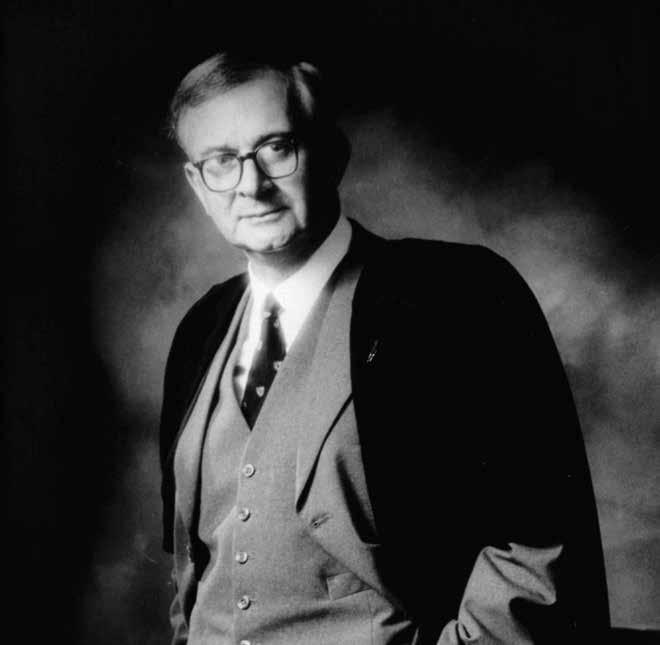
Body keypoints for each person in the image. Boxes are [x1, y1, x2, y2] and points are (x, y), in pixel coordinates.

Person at [159, 51, 609, 645]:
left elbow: (540, 548)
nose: (251, 185)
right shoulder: (198, 331)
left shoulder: (460, 297)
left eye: (277, 148)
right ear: (197, 184)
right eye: (221, 161)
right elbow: (193, 572)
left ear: (332, 153)